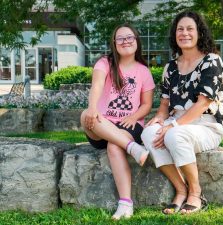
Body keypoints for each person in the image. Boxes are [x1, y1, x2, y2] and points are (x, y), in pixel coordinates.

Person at [141, 11, 223, 215]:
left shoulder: (212, 61)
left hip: (206, 125)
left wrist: (173, 126)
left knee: (174, 134)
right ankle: (181, 190)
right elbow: (164, 104)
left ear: (199, 33)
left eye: (190, 29)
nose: (184, 33)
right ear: (175, 34)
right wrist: (160, 118)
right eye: (180, 29)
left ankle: (196, 194)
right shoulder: (171, 67)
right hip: (176, 122)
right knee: (148, 133)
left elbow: (202, 103)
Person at [81, 23, 155, 219]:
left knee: (114, 147)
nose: (125, 41)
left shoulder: (143, 71)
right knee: (84, 115)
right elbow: (96, 86)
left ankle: (125, 204)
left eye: (129, 37)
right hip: (103, 125)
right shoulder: (104, 63)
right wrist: (93, 108)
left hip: (129, 125)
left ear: (137, 41)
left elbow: (147, 105)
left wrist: (133, 117)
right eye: (120, 38)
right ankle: (133, 148)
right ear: (114, 43)